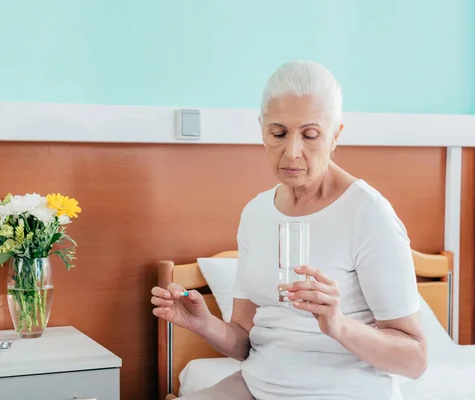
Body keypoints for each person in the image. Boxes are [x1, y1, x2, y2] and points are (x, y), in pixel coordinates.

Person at [151, 60, 427, 399]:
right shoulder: (256, 213)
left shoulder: (368, 214)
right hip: (257, 387)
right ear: (262, 129)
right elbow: (244, 342)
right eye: (278, 133)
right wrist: (203, 323)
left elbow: (415, 361)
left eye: (310, 135)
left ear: (335, 135)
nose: (291, 152)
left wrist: (338, 324)